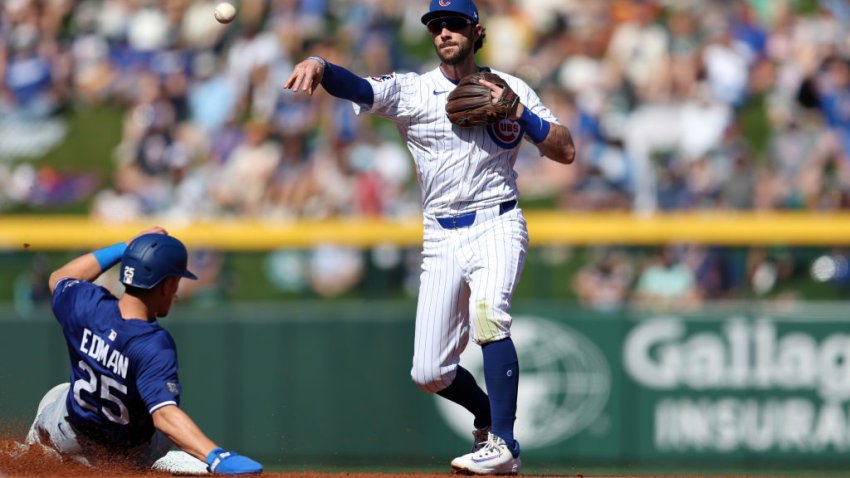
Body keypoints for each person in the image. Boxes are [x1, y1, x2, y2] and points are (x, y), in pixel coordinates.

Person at [284, 0, 575, 474]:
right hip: (440, 234)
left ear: (475, 31)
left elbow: (564, 150)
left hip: (497, 221)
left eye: (453, 23)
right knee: (429, 372)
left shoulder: (510, 87)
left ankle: (504, 443)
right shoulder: (415, 91)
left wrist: (518, 111)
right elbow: (357, 86)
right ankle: (485, 413)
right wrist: (320, 65)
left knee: (489, 316)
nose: (443, 32)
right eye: (435, 25)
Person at [25, 227, 263, 475]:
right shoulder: (153, 344)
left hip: (69, 436)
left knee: (58, 394)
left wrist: (124, 248)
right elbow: (164, 415)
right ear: (167, 285)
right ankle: (177, 467)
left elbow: (59, 277)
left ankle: (33, 451)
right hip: (126, 455)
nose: (176, 293)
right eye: (176, 282)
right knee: (161, 428)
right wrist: (217, 456)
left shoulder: (86, 304)